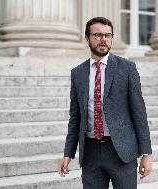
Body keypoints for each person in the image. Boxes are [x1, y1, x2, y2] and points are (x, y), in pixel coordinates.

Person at [58, 17, 152, 189]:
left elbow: (139, 112)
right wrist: (68, 153)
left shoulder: (127, 68)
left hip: (121, 151)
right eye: (98, 35)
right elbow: (75, 118)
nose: (103, 39)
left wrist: (146, 153)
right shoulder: (78, 73)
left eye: (108, 35)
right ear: (87, 38)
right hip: (91, 152)